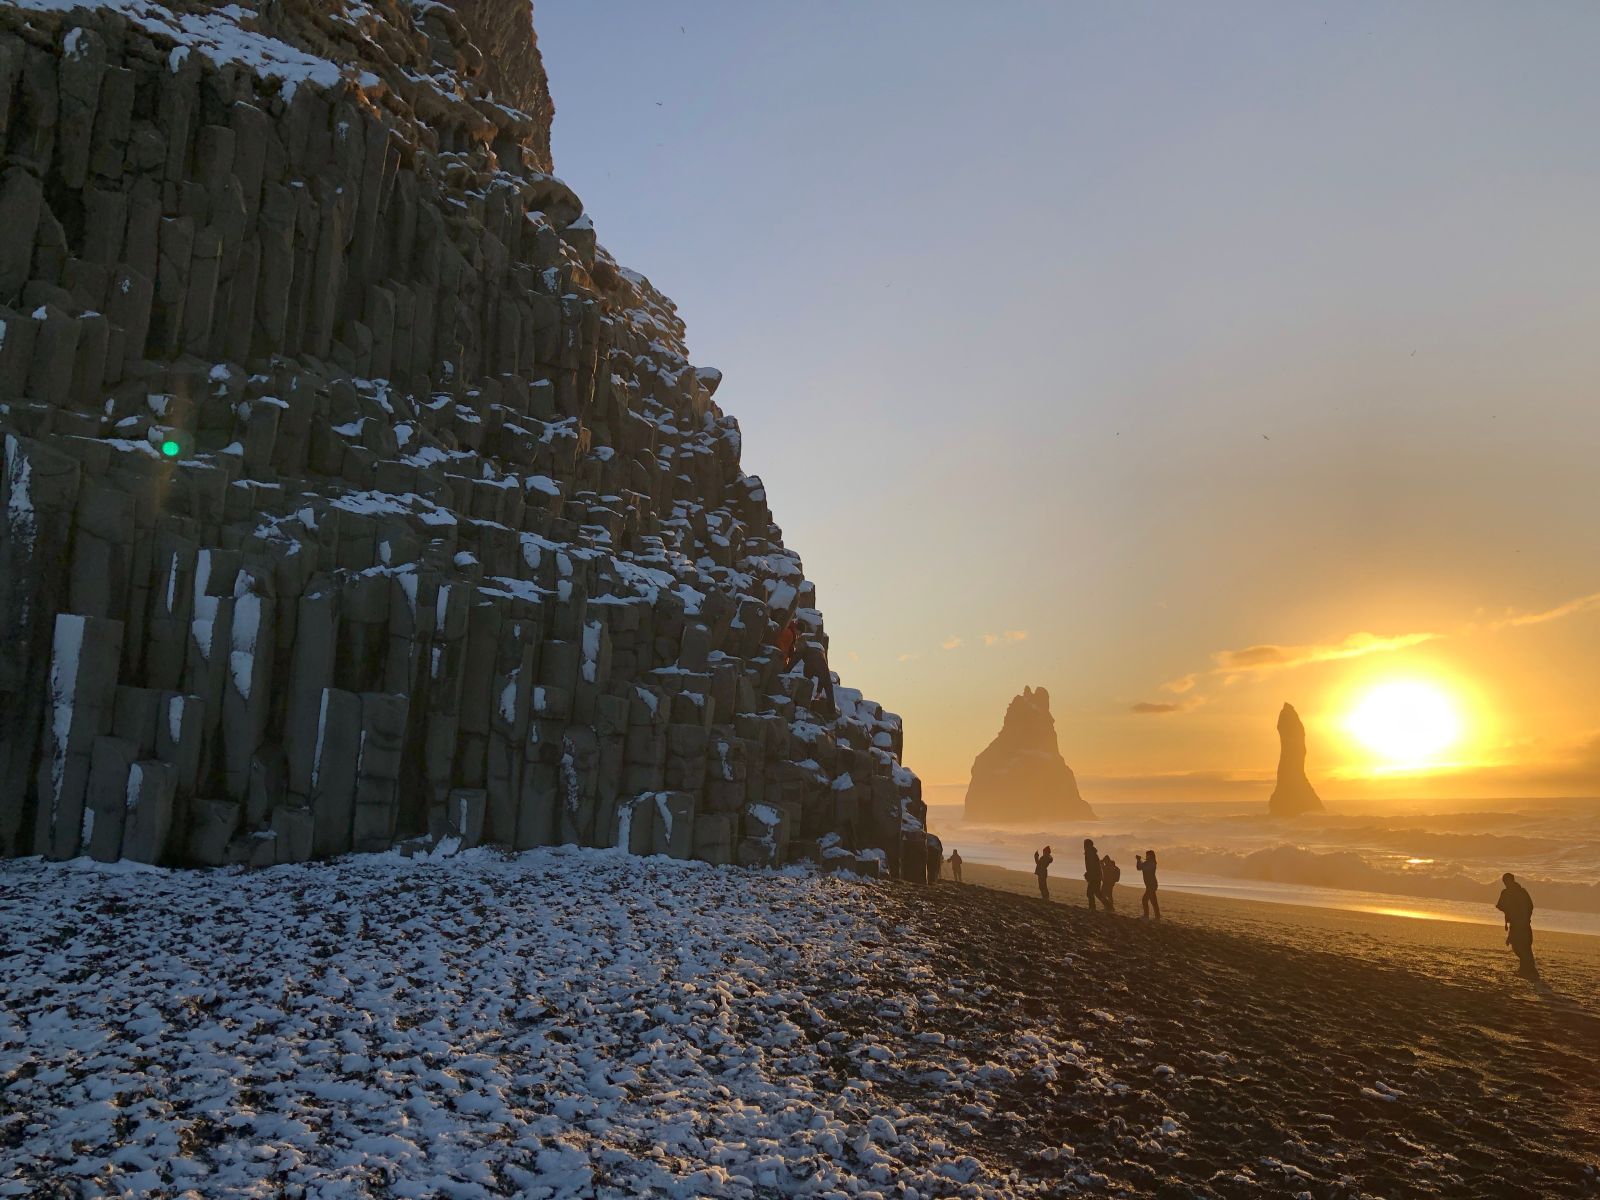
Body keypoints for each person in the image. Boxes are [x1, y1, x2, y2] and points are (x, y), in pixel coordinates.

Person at [1495, 872, 1539, 981]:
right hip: (1523, 923)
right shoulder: (1522, 891)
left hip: (1518, 923)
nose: (1505, 883)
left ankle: (1528, 971)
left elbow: (1500, 905)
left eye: (1505, 881)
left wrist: (1511, 911)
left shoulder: (1508, 892)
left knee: (1519, 947)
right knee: (1524, 947)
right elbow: (1530, 906)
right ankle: (1526, 970)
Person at [1136, 849, 1161, 920]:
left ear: (1151, 856)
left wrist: (1139, 860)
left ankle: (1147, 916)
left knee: (1145, 900)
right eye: (1147, 855)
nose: (1147, 856)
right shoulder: (1148, 863)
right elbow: (1139, 868)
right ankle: (1156, 916)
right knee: (1153, 901)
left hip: (1151, 884)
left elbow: (1143, 868)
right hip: (1149, 885)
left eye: (1148, 855)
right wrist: (1138, 860)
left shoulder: (1152, 864)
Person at [1083, 839, 1102, 911]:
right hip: (1096, 876)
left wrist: (1089, 874)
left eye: (1084, 844)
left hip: (1095, 877)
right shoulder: (1091, 852)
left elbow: (1092, 866)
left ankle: (1092, 908)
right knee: (1097, 893)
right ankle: (1109, 906)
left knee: (1090, 893)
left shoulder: (1090, 853)